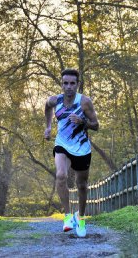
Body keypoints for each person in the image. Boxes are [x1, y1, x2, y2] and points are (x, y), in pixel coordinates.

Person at [44, 69, 99, 238]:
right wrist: (48, 127)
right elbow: (47, 108)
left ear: (78, 84)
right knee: (61, 175)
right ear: (61, 84)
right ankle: (67, 217)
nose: (68, 87)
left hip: (81, 147)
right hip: (62, 144)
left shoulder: (84, 102)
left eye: (72, 83)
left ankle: (80, 218)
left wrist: (83, 122)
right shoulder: (55, 100)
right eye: (65, 83)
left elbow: (96, 125)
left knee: (81, 184)